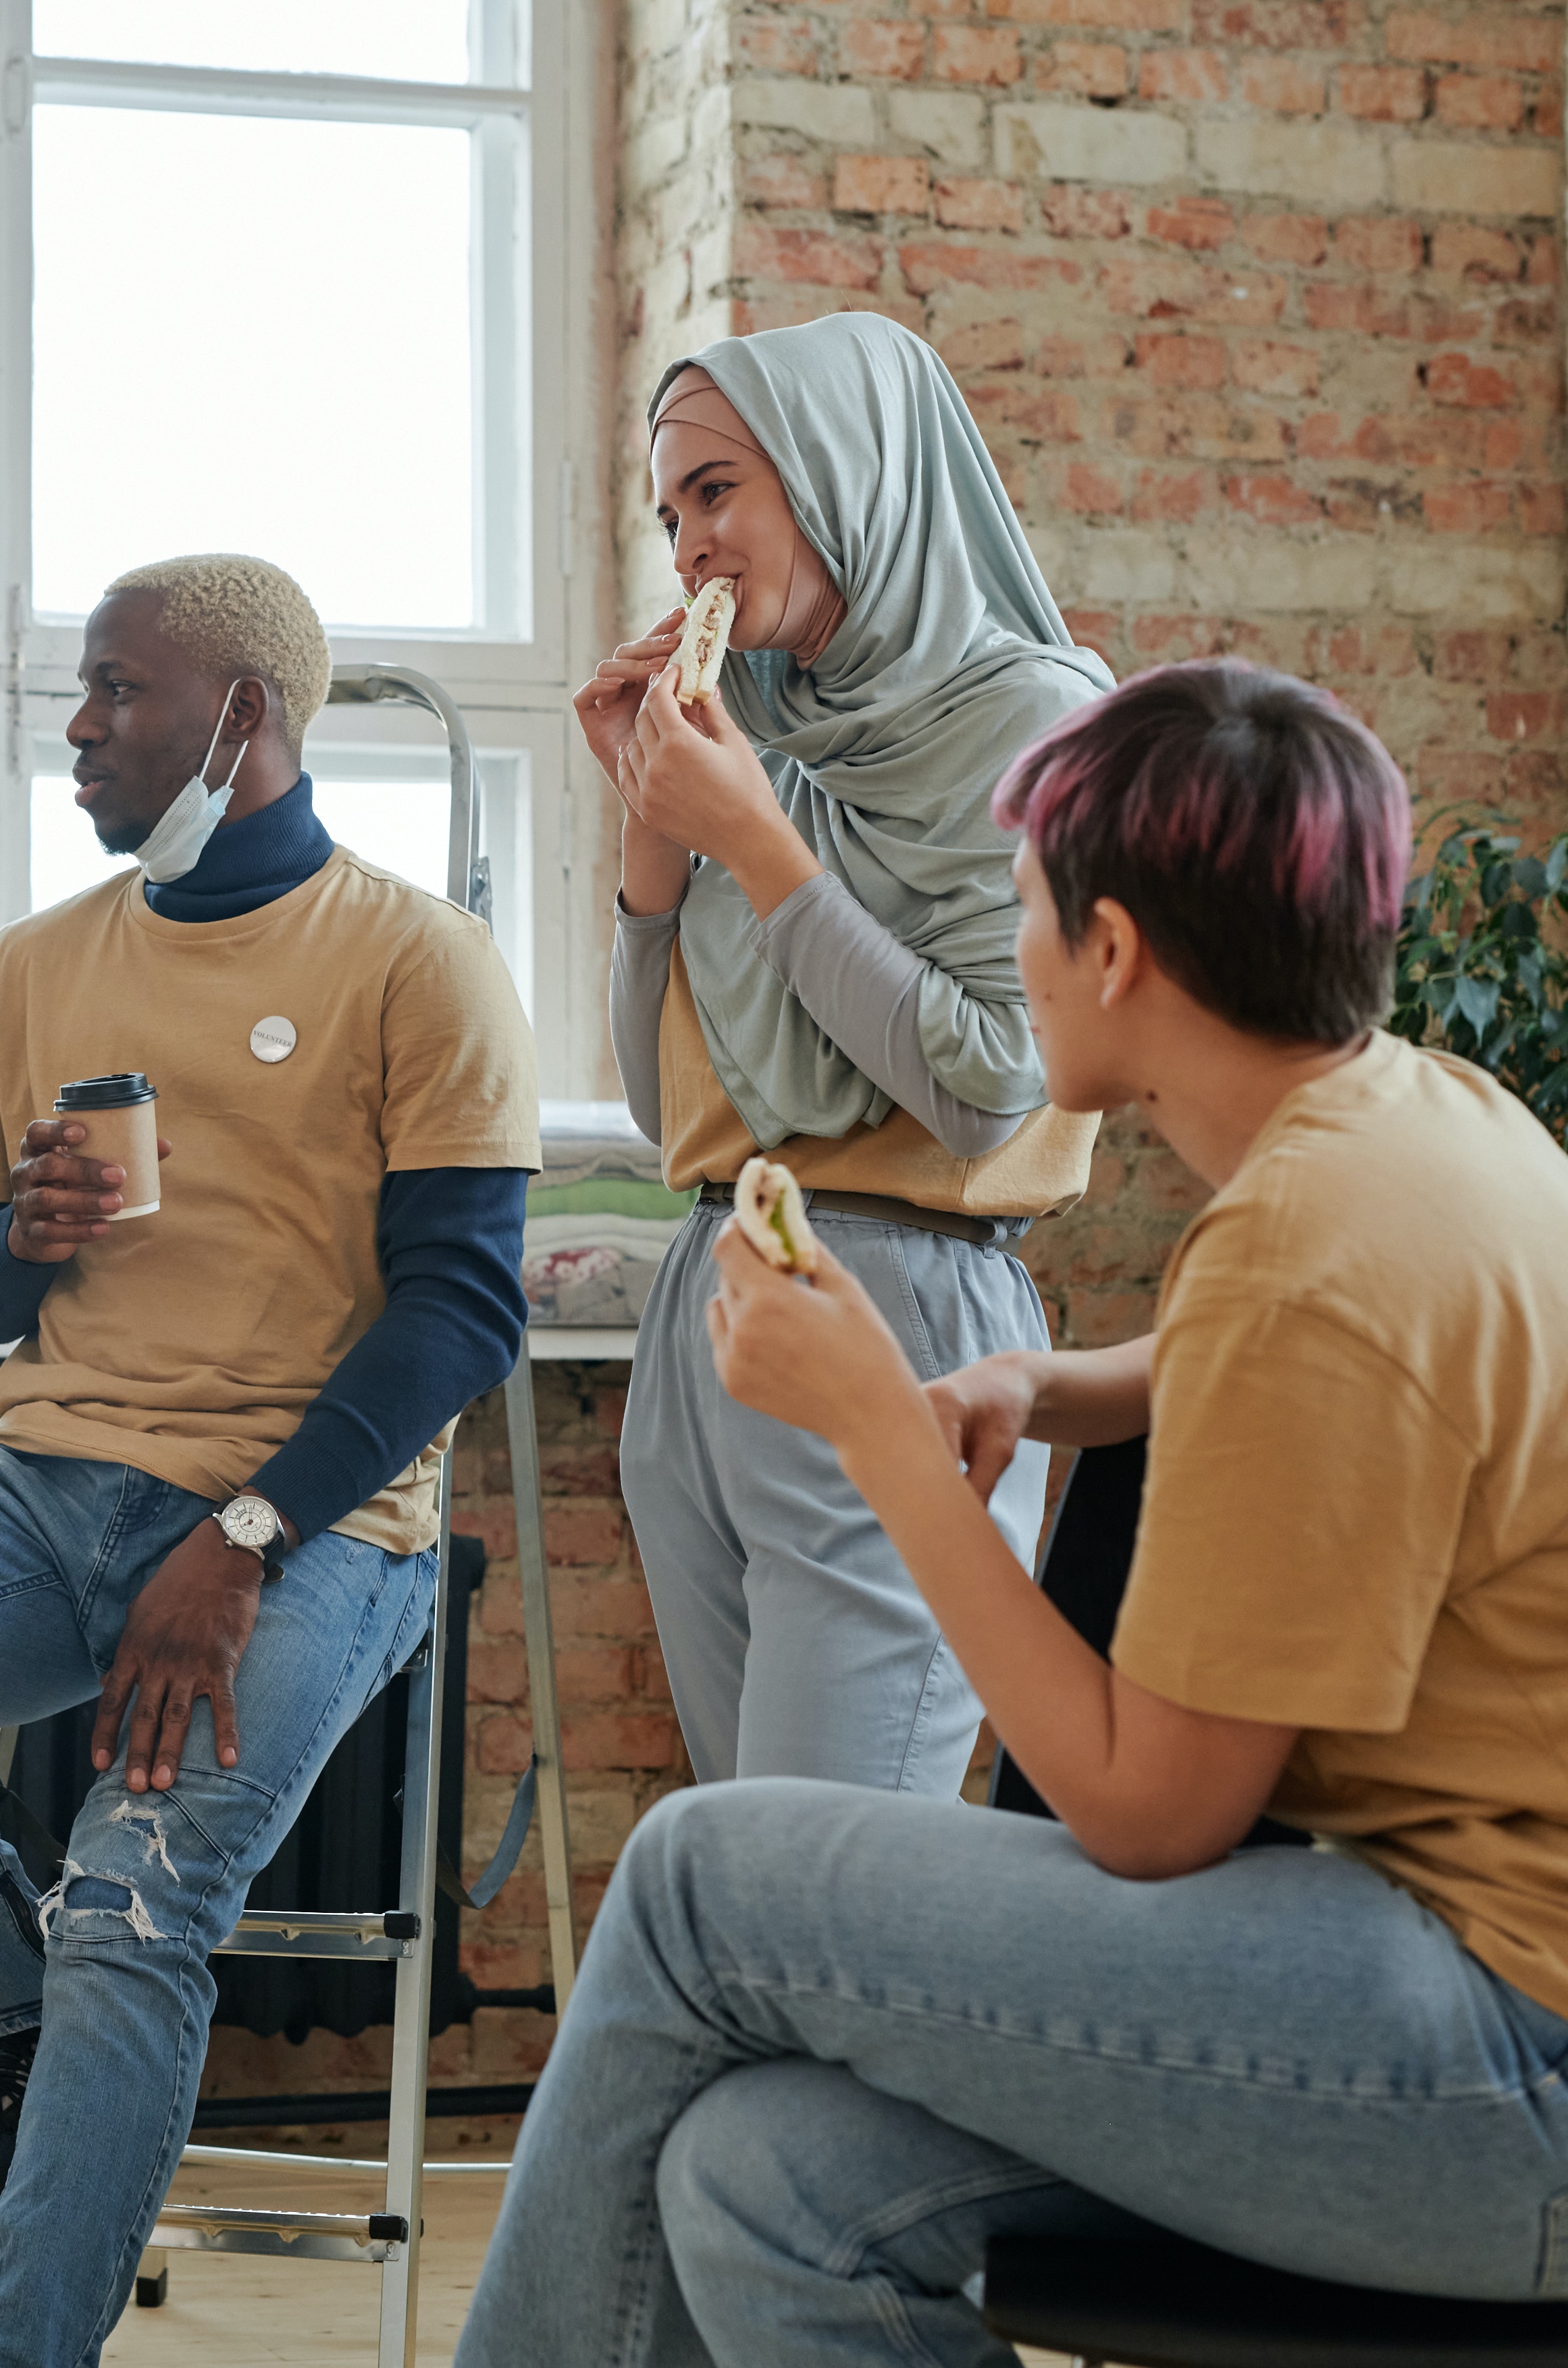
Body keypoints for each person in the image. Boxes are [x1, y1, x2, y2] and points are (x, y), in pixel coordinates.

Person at [455, 661, 1568, 2368]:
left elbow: (1147, 1813)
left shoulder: (1305, 1254)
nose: (1017, 953)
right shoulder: (1407, 1118)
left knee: (697, 1874)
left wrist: (876, 1433)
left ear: (1114, 950)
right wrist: (1048, 1388)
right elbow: (1290, 1345)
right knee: (762, 2175)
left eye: (1021, 914)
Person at [0, 555, 539, 2367]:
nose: (74, 728)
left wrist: (242, 1531)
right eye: (77, 694)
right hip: (48, 1480)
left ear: (240, 716)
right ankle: (27, 2017)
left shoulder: (420, 960)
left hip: (314, 1526)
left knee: (138, 1902)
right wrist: (19, 1243)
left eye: (112, 692)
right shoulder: (36, 963)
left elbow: (462, 1314)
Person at [581, 310, 1110, 1793]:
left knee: (828, 1876)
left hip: (904, 1299)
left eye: (715, 492)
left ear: (839, 475)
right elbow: (665, 1105)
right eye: (667, 509)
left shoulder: (1036, 724)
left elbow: (985, 1079)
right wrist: (648, 846)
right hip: (708, 1298)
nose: (685, 544)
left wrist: (750, 841)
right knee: (748, 1884)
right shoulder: (751, 722)